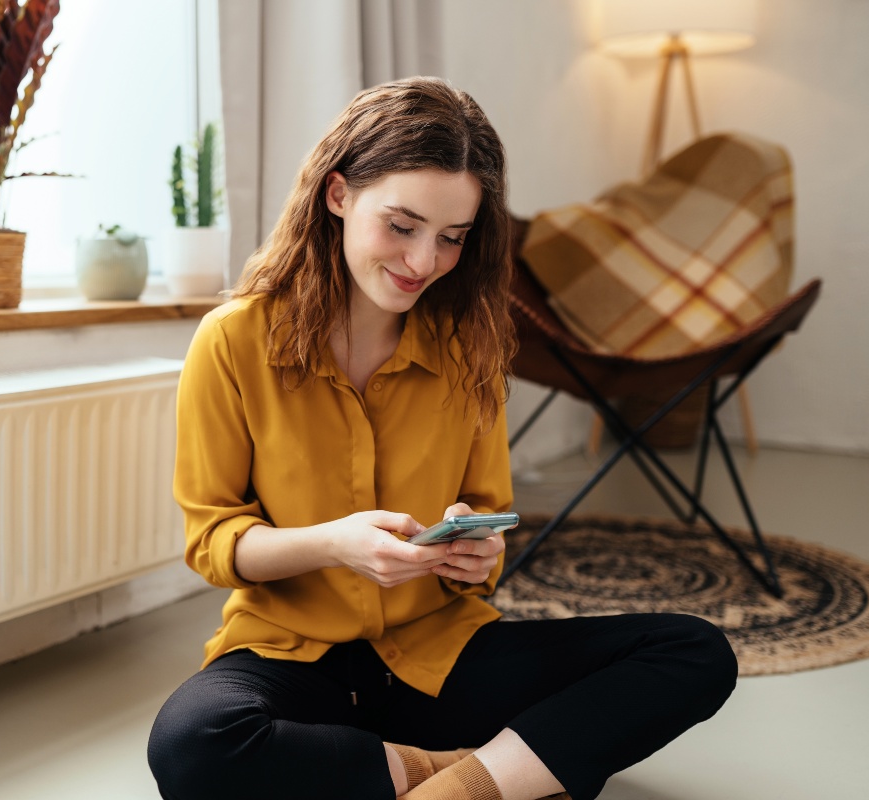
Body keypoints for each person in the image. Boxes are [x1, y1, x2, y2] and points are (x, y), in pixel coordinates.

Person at [147, 77, 737, 800]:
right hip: (289, 653)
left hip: (442, 655)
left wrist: (473, 551)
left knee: (695, 651)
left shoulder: (470, 350)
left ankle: (440, 786)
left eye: (452, 238)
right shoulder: (232, 341)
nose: (423, 262)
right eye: (402, 225)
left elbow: (484, 524)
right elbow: (214, 542)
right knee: (191, 745)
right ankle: (470, 774)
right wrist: (335, 542)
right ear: (338, 194)